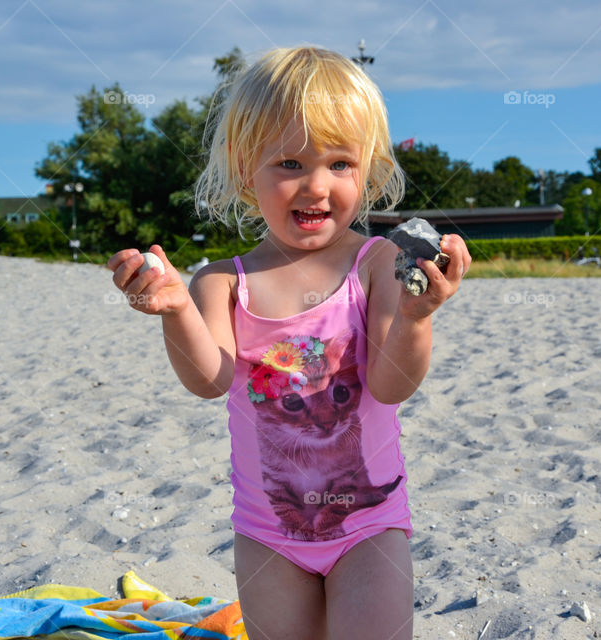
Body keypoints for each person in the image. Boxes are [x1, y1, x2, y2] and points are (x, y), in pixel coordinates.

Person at [108, 46, 471, 640]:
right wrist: (175, 310)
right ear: (245, 167)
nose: (316, 186)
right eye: (289, 163)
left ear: (369, 169)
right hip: (267, 535)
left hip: (368, 528)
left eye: (340, 164)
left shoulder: (376, 264)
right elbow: (209, 381)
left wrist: (415, 317)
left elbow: (391, 384)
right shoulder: (224, 281)